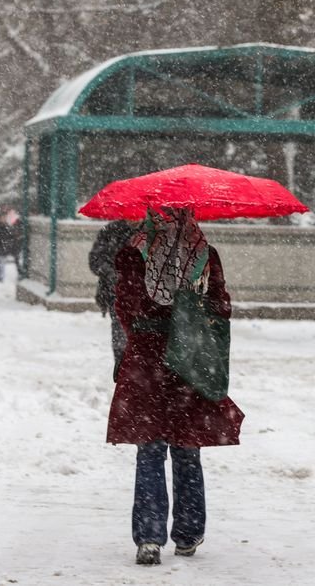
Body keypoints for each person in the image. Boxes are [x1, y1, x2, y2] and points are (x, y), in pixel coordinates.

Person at [107, 208, 244, 566]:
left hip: (147, 361)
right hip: (189, 360)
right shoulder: (204, 253)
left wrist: (145, 329)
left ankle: (150, 537)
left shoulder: (136, 251)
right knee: (186, 445)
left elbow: (124, 305)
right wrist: (191, 321)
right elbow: (221, 307)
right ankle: (188, 532)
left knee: (149, 446)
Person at [88, 220, 136, 374]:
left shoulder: (154, 231)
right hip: (116, 293)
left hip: (146, 297)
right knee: (121, 333)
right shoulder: (110, 230)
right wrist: (115, 274)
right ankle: (123, 370)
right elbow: (95, 260)